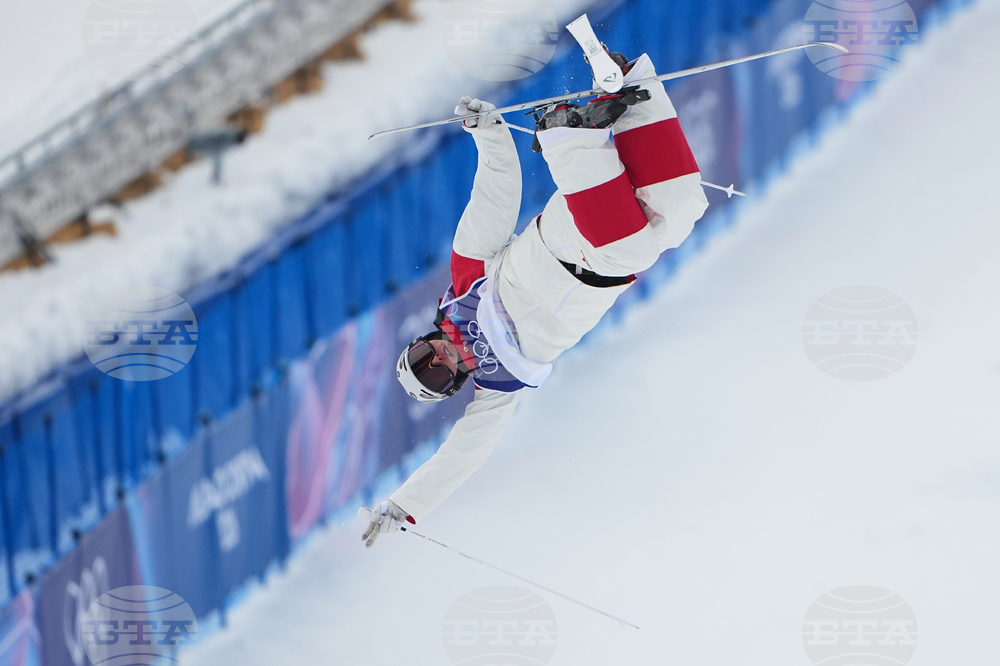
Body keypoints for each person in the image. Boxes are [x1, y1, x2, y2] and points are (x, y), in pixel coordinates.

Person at [361, 51, 709, 548]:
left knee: (629, 242)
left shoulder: (466, 282)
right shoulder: (497, 387)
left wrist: (489, 132)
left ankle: (567, 136)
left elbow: (495, 198)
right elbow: (463, 454)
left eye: (422, 355)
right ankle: (628, 88)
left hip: (565, 239)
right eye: (435, 373)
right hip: (603, 272)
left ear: (422, 338)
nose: (437, 358)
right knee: (678, 214)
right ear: (454, 384)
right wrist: (404, 505)